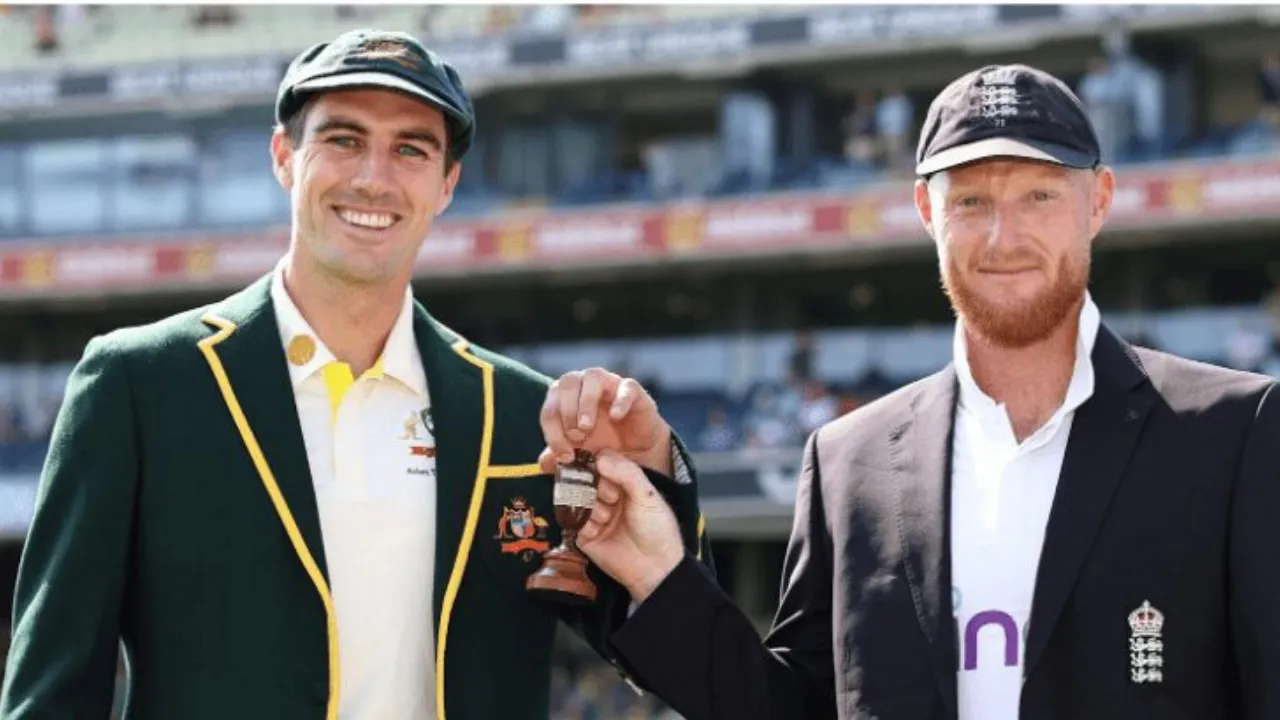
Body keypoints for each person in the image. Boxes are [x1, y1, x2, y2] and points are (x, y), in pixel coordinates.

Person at [0, 29, 711, 720]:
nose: (374, 178)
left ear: (446, 184)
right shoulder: (140, 384)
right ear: (284, 156)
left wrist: (656, 470)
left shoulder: (523, 418)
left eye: (411, 149)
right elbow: (52, 693)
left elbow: (677, 658)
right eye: (344, 140)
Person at [570, 64, 1280, 720]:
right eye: (971, 200)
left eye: (1039, 196)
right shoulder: (848, 462)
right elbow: (793, 709)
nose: (1004, 237)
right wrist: (659, 576)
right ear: (925, 210)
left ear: (1098, 201)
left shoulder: (1233, 430)